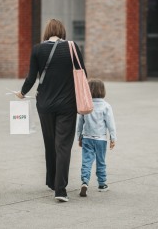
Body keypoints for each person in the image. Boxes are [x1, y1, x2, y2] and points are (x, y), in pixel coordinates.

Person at [16, 19, 86, 202]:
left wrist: (22, 92)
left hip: (45, 105)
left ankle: (52, 181)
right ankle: (60, 190)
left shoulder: (37, 49)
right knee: (63, 145)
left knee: (50, 143)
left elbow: (32, 77)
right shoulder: (72, 47)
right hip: (67, 105)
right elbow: (82, 74)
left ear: (47, 32)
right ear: (62, 31)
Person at [76, 79, 116, 197]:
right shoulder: (106, 106)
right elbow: (110, 123)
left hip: (87, 138)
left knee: (86, 161)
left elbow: (80, 122)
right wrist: (113, 138)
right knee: (101, 161)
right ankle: (102, 184)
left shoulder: (86, 105)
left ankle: (85, 181)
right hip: (101, 139)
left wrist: (79, 136)